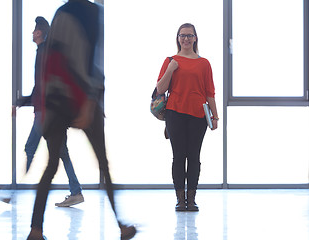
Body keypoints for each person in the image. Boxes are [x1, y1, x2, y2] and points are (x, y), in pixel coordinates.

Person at [26, 1, 136, 240]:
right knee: (102, 164)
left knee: (52, 165)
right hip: (78, 96)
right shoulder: (92, 12)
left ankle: (36, 230)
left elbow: (55, 61)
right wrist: (90, 102)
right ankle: (121, 226)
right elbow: (89, 60)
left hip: (58, 100)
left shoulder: (63, 13)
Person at [16, 16, 84, 208]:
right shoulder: (45, 52)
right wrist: (22, 101)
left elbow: (45, 87)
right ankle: (76, 191)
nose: (31, 33)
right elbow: (41, 87)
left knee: (31, 148)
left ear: (39, 33)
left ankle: (11, 190)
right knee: (62, 152)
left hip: (46, 114)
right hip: (50, 113)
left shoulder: (44, 53)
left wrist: (23, 101)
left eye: (33, 30)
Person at [156, 23, 219, 211]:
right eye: (182, 35)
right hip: (175, 114)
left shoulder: (204, 63)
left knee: (193, 157)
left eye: (189, 35)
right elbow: (160, 89)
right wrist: (171, 69)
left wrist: (215, 117)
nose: (185, 39)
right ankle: (179, 199)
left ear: (195, 38)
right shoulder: (170, 61)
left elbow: (210, 93)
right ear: (177, 38)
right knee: (178, 157)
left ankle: (191, 199)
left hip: (198, 116)